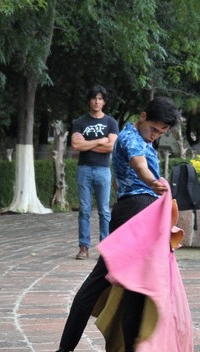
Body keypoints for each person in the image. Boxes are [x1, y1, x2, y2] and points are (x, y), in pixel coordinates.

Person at [46, 96, 180, 352]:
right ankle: (65, 350)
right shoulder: (131, 137)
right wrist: (154, 182)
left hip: (145, 215)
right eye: (153, 129)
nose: (155, 135)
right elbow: (140, 166)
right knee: (102, 280)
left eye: (160, 133)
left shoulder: (142, 138)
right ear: (142, 116)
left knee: (134, 286)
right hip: (135, 213)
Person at [71, 84, 119, 260]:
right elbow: (76, 145)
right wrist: (101, 140)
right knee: (84, 209)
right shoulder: (80, 122)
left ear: (104, 102)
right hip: (84, 169)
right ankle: (84, 247)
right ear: (89, 101)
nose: (96, 102)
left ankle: (105, 247)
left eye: (100, 99)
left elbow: (112, 146)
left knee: (104, 211)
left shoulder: (110, 122)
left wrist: (88, 144)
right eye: (94, 98)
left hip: (103, 170)